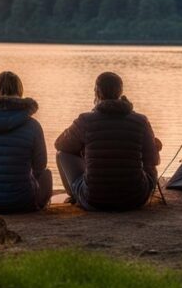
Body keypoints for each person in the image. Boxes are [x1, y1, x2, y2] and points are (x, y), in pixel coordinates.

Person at [55, 72, 162, 211]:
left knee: (62, 154)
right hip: (135, 199)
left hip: (93, 200)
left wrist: (83, 150)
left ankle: (75, 196)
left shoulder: (85, 120)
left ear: (97, 92)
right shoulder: (140, 120)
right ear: (121, 92)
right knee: (150, 158)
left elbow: (60, 144)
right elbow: (154, 160)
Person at [0, 71, 52, 213]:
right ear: (20, 92)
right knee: (47, 174)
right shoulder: (33, 125)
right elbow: (40, 165)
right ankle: (41, 204)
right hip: (23, 203)